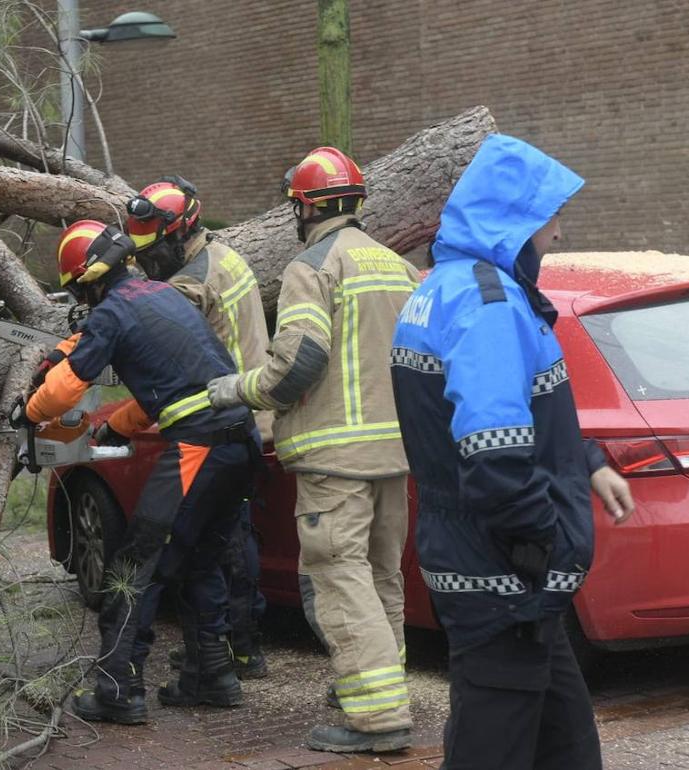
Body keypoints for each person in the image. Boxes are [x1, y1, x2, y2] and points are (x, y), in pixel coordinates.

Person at [389, 134, 635, 769]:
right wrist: (546, 540)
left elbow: (503, 416)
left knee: (566, 741)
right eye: (552, 216)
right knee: (492, 748)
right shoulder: (488, 303)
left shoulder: (448, 288)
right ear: (518, 221)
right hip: (506, 577)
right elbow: (493, 454)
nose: (558, 232)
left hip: (498, 570)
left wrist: (587, 461)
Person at [207, 147, 421, 753]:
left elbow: (298, 362)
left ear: (303, 206)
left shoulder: (312, 267)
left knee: (338, 577)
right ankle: (379, 688)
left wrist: (237, 388)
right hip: (393, 456)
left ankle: (375, 718)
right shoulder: (397, 268)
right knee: (381, 576)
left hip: (335, 462)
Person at [15, 220, 260, 725]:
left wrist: (28, 412)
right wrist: (120, 425)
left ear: (89, 279)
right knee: (199, 558)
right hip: (239, 443)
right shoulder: (163, 296)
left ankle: (118, 688)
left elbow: (62, 392)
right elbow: (175, 380)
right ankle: (211, 673)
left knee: (134, 566)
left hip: (201, 446)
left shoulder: (113, 313)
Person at [125, 176, 271, 678]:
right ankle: (238, 647)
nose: (149, 261)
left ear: (181, 232)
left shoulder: (191, 284)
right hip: (246, 413)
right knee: (232, 538)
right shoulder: (223, 258)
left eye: (155, 249)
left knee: (220, 545)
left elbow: (162, 348)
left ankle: (233, 649)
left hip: (224, 418)